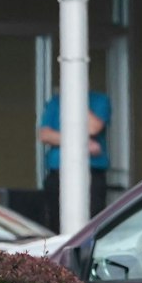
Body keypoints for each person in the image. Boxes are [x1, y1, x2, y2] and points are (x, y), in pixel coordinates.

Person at [39, 90, 112, 221]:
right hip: (58, 172)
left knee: (92, 221)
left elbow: (93, 128)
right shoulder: (55, 102)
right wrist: (82, 141)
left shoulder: (100, 100)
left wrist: (78, 102)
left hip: (91, 173)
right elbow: (44, 135)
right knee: (56, 221)